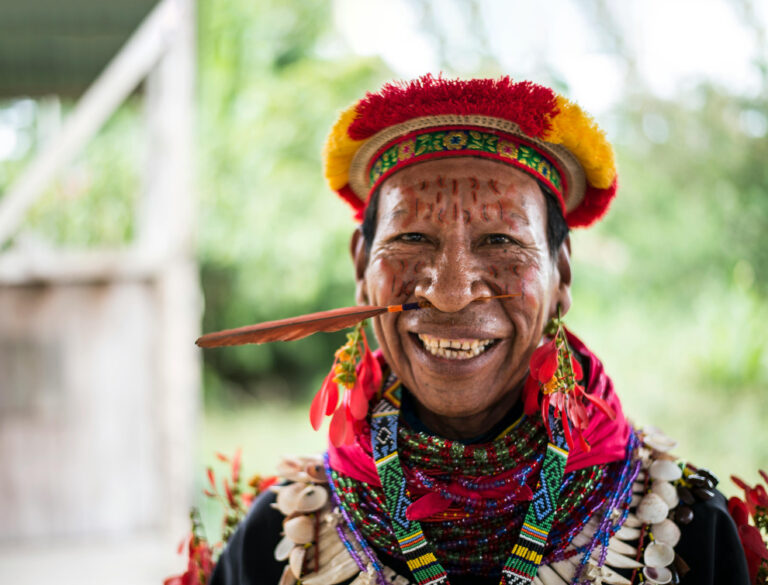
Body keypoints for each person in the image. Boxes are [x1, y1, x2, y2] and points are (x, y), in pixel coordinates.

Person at [209, 76, 750, 585]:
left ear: (561, 273)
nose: (449, 293)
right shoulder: (279, 540)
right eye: (413, 237)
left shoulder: (686, 528)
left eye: (500, 242)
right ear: (360, 268)